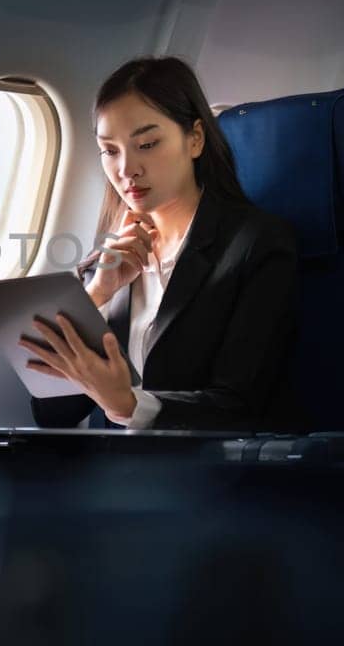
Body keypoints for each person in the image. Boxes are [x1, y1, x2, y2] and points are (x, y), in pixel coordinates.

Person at [19, 56, 299, 431]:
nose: (126, 169)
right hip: (119, 475)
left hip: (205, 476)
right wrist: (97, 293)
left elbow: (240, 407)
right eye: (110, 150)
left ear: (195, 139)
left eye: (147, 144)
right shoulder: (105, 263)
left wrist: (131, 405)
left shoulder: (256, 245)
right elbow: (53, 414)